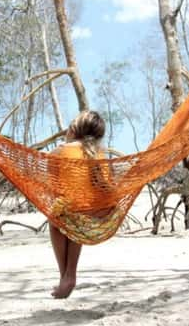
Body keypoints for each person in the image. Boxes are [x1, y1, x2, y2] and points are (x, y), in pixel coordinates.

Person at [49, 110, 106, 299]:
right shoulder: (99, 154)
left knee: (57, 218)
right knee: (78, 212)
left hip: (70, 215)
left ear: (74, 128)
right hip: (95, 218)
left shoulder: (59, 152)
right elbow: (107, 187)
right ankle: (70, 273)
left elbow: (53, 187)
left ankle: (66, 275)